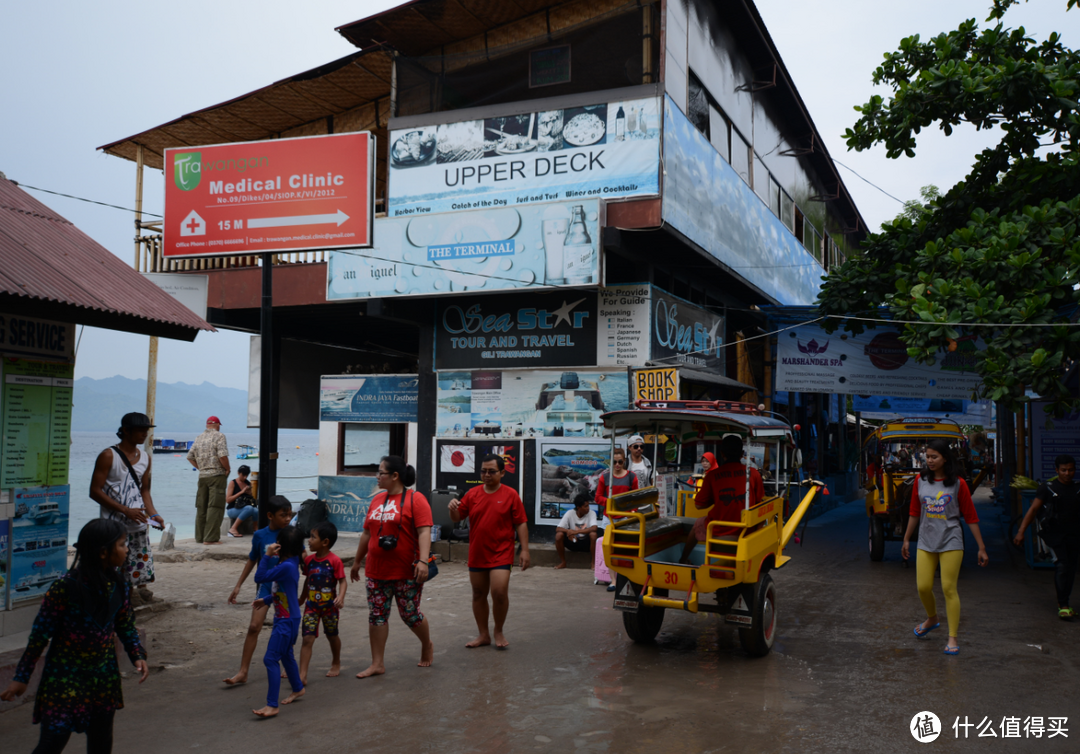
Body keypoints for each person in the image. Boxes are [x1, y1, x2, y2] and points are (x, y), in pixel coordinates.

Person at [1, 519, 149, 753]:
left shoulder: (119, 586)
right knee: (52, 743)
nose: (127, 549)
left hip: (103, 679)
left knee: (101, 742)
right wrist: (22, 676)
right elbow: (39, 636)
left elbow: (125, 624)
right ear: (103, 552)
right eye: (122, 544)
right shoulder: (64, 589)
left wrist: (137, 653)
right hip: (63, 680)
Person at [902, 438, 989, 655]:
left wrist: (981, 547)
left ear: (945, 459)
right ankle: (932, 618)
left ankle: (952, 637)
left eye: (934, 457)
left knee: (949, 588)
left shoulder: (958, 483)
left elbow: (970, 516)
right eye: (927, 456)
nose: (929, 460)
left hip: (951, 539)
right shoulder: (920, 481)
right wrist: (906, 539)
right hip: (925, 540)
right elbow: (914, 512)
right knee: (923, 586)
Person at [349, 456, 434, 677]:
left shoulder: (416, 499)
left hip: (406, 570)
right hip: (376, 570)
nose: (378, 477)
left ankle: (426, 644)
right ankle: (377, 663)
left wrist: (423, 561)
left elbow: (425, 531)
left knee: (410, 615)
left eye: (381, 473)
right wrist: (358, 561)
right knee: (376, 615)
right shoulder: (377, 500)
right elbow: (367, 532)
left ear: (394, 476)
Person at [448, 453, 531, 649]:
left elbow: (521, 523)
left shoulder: (511, 495)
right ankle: (483, 635)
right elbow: (457, 517)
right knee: (478, 593)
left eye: (491, 471)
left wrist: (525, 550)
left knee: (499, 592)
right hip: (477, 552)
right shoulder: (472, 494)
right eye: (483, 471)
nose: (486, 475)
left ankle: (498, 631)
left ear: (502, 473)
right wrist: (452, 508)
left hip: (502, 551)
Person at [223, 495, 293, 686]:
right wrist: (238, 585)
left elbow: (301, 558)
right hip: (265, 588)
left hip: (285, 591)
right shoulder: (260, 535)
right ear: (270, 515)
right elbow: (252, 559)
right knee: (254, 627)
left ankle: (290, 664)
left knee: (285, 628)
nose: (287, 519)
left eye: (289, 514)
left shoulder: (291, 534)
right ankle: (243, 671)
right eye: (283, 515)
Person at [89, 412, 163, 591]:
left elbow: (144, 490)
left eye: (146, 430)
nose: (144, 434)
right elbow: (94, 491)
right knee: (111, 567)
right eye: (140, 430)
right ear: (126, 431)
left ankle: (137, 596)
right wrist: (125, 510)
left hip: (138, 523)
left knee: (139, 566)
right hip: (113, 525)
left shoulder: (146, 458)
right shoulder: (108, 456)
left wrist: (154, 514)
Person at [1013, 455, 1080, 619]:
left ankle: (1065, 602)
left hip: (1074, 534)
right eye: (1063, 470)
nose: (1067, 473)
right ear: (1057, 471)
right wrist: (1021, 531)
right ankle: (1063, 605)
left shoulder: (1078, 489)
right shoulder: (1047, 488)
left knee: (1071, 569)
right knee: (1062, 565)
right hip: (1054, 534)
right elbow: (1033, 510)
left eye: (1070, 470)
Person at [252, 525, 306, 717]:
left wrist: (266, 555)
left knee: (270, 658)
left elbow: (259, 577)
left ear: (280, 546)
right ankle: (298, 688)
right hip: (289, 618)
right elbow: (284, 592)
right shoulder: (291, 564)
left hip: (285, 621)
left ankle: (272, 705)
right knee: (286, 655)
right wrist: (266, 600)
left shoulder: (285, 566)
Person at [680, 441, 764, 564]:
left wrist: (715, 499)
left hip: (717, 530)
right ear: (741, 454)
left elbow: (698, 504)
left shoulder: (712, 475)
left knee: (698, 524)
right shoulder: (754, 473)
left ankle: (682, 560)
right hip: (746, 531)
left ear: (722, 454)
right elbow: (760, 503)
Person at [299, 521, 347, 683]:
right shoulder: (309, 561)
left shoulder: (335, 561)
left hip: (330, 608)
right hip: (311, 607)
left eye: (313, 537)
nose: (309, 540)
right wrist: (302, 597)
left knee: (332, 635)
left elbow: (342, 581)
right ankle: (302, 674)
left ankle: (336, 661)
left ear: (325, 542)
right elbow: (308, 581)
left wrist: (340, 597)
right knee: (307, 638)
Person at [187, 415, 230, 545]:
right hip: (216, 476)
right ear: (217, 425)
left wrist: (201, 468)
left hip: (203, 477)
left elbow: (190, 457)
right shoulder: (219, 436)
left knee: (201, 507)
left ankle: (200, 537)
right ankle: (210, 538)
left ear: (207, 425)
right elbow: (222, 455)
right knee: (215, 507)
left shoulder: (198, 438)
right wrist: (227, 469)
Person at [554, 495, 599, 569]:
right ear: (578, 507)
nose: (588, 508)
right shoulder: (570, 513)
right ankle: (563, 562)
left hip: (586, 544)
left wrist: (577, 532)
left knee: (593, 535)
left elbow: (594, 528)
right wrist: (569, 532)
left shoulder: (592, 513)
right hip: (573, 542)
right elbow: (558, 529)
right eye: (585, 506)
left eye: (588, 505)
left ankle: (593, 563)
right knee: (558, 535)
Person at [594, 446, 639, 516]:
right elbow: (598, 497)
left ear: (624, 460)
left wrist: (633, 511)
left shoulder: (631, 476)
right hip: (609, 517)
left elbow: (636, 497)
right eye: (614, 462)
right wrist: (610, 502)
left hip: (626, 517)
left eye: (620, 462)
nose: (617, 464)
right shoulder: (605, 477)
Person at [226, 464, 258, 538]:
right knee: (249, 508)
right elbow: (228, 500)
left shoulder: (247, 483)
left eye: (246, 475)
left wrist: (250, 493)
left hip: (244, 508)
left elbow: (251, 500)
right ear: (238, 473)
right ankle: (232, 529)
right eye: (243, 475)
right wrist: (241, 492)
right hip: (232, 509)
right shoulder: (233, 483)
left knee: (256, 510)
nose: (245, 477)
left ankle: (255, 529)